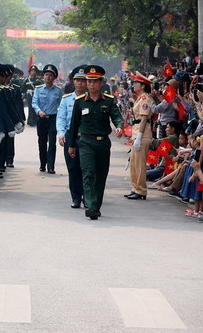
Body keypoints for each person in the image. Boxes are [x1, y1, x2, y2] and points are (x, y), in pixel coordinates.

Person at [66, 65, 123, 220]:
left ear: (101, 83)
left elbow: (117, 117)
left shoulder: (109, 101)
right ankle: (90, 206)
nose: (91, 84)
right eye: (89, 81)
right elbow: (73, 125)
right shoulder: (80, 102)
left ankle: (96, 205)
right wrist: (71, 145)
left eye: (94, 81)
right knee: (89, 173)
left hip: (103, 143)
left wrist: (119, 127)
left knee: (100, 175)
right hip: (86, 142)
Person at [56, 65, 87, 208]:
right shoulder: (66, 99)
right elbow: (61, 118)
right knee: (73, 167)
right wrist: (61, 134)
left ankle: (87, 196)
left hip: (87, 137)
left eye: (83, 80)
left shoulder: (91, 99)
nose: (80, 83)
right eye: (77, 80)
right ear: (73, 82)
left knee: (87, 168)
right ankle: (75, 196)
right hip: (71, 136)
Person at [125, 72, 155, 200]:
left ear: (142, 85)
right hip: (137, 132)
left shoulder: (145, 99)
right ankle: (135, 187)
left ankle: (141, 190)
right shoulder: (139, 98)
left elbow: (143, 119)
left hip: (142, 134)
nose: (134, 85)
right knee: (134, 163)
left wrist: (139, 136)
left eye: (136, 83)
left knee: (140, 164)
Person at [32, 64, 63, 174]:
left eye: (50, 75)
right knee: (42, 142)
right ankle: (42, 164)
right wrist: (39, 111)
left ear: (54, 78)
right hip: (41, 119)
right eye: (46, 75)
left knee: (52, 142)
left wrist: (60, 114)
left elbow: (61, 105)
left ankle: (51, 166)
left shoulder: (58, 91)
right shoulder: (38, 89)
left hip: (53, 119)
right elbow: (34, 103)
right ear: (43, 77)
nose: (48, 77)